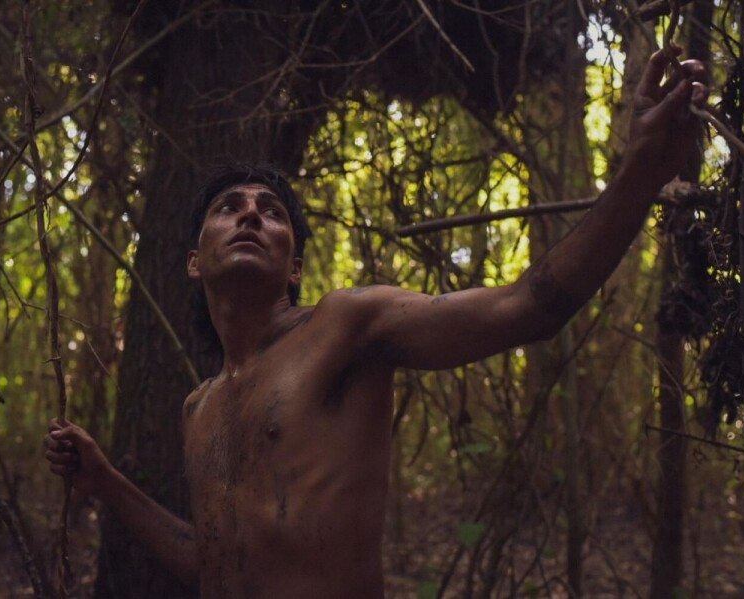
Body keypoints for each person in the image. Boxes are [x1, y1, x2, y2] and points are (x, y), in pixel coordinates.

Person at [44, 48, 707, 598]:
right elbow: (210, 566)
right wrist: (103, 481)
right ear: (194, 261)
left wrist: (642, 171)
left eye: (271, 211)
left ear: (294, 266)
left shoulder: (342, 327)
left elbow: (528, 307)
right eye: (229, 207)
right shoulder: (198, 406)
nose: (250, 215)